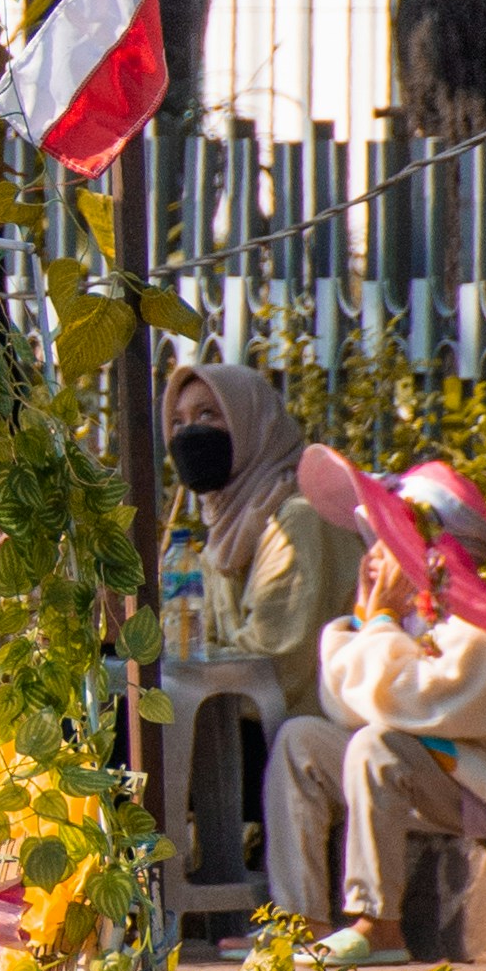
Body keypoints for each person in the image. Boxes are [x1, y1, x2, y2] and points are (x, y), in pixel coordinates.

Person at [262, 451, 486, 956]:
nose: (374, 555)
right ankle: (302, 919)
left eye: (387, 540)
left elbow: (401, 704)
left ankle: (379, 924)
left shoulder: (480, 630)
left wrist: (378, 624)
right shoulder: (409, 617)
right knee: (301, 739)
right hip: (439, 773)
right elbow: (344, 704)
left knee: (377, 747)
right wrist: (368, 619)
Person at [157, 355, 358, 889]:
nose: (189, 435)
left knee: (128, 739)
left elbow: (274, 662)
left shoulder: (296, 519)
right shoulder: (231, 522)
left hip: (296, 732)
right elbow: (208, 641)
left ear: (252, 426)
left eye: (208, 417)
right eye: (177, 423)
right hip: (239, 726)